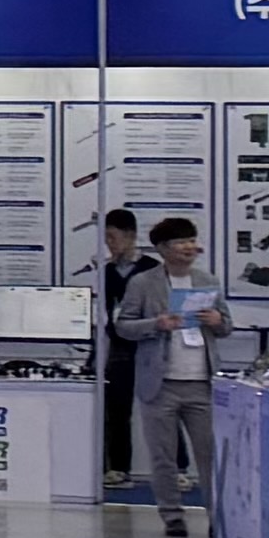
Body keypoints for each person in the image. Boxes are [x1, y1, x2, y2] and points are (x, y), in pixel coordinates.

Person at [125, 216, 232, 536]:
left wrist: (216, 320)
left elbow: (226, 326)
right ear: (162, 249)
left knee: (209, 455)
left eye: (192, 240)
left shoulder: (207, 280)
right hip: (160, 384)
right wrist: (156, 324)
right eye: (181, 242)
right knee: (163, 456)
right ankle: (172, 516)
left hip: (201, 382)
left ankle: (218, 517)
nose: (189, 247)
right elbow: (123, 326)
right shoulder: (143, 283)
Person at [93, 207, 150, 497]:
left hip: (149, 346)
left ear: (130, 236)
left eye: (113, 237)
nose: (109, 243)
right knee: (116, 410)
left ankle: (178, 468)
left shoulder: (152, 268)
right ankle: (117, 467)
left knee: (163, 408)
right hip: (117, 347)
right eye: (106, 238)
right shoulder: (106, 271)